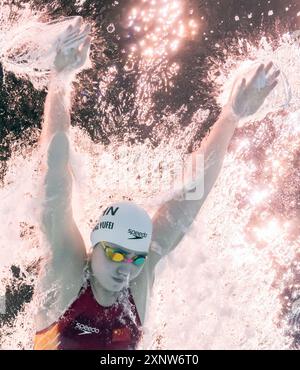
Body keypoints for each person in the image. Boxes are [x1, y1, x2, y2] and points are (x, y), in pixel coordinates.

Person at [33, 16, 280, 350]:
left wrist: (231, 117)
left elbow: (186, 203)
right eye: (118, 254)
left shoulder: (135, 283)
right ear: (96, 243)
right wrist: (60, 81)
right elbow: (55, 177)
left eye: (135, 258)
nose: (127, 269)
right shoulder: (67, 273)